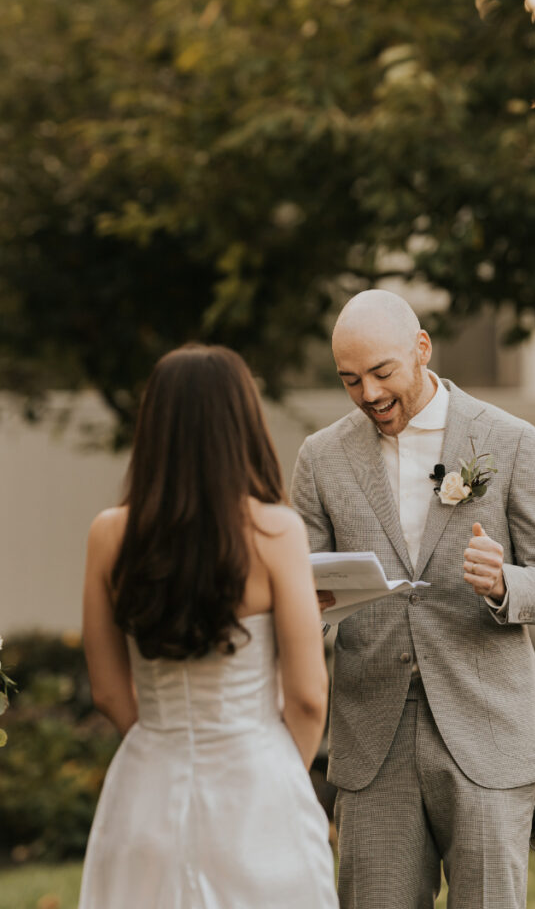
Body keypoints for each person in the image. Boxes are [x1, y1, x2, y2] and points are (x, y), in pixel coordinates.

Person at [291, 290, 535, 909]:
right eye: (350, 380)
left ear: (422, 349)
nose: (368, 394)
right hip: (372, 742)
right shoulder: (319, 459)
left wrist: (507, 582)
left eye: (382, 372)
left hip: (489, 739)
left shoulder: (511, 442)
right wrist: (311, 604)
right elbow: (297, 592)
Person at [79, 344, 338, 909]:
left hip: (146, 786)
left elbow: (106, 690)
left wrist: (164, 746)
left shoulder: (108, 534)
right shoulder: (275, 532)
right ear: (240, 423)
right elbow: (308, 697)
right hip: (257, 780)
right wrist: (275, 777)